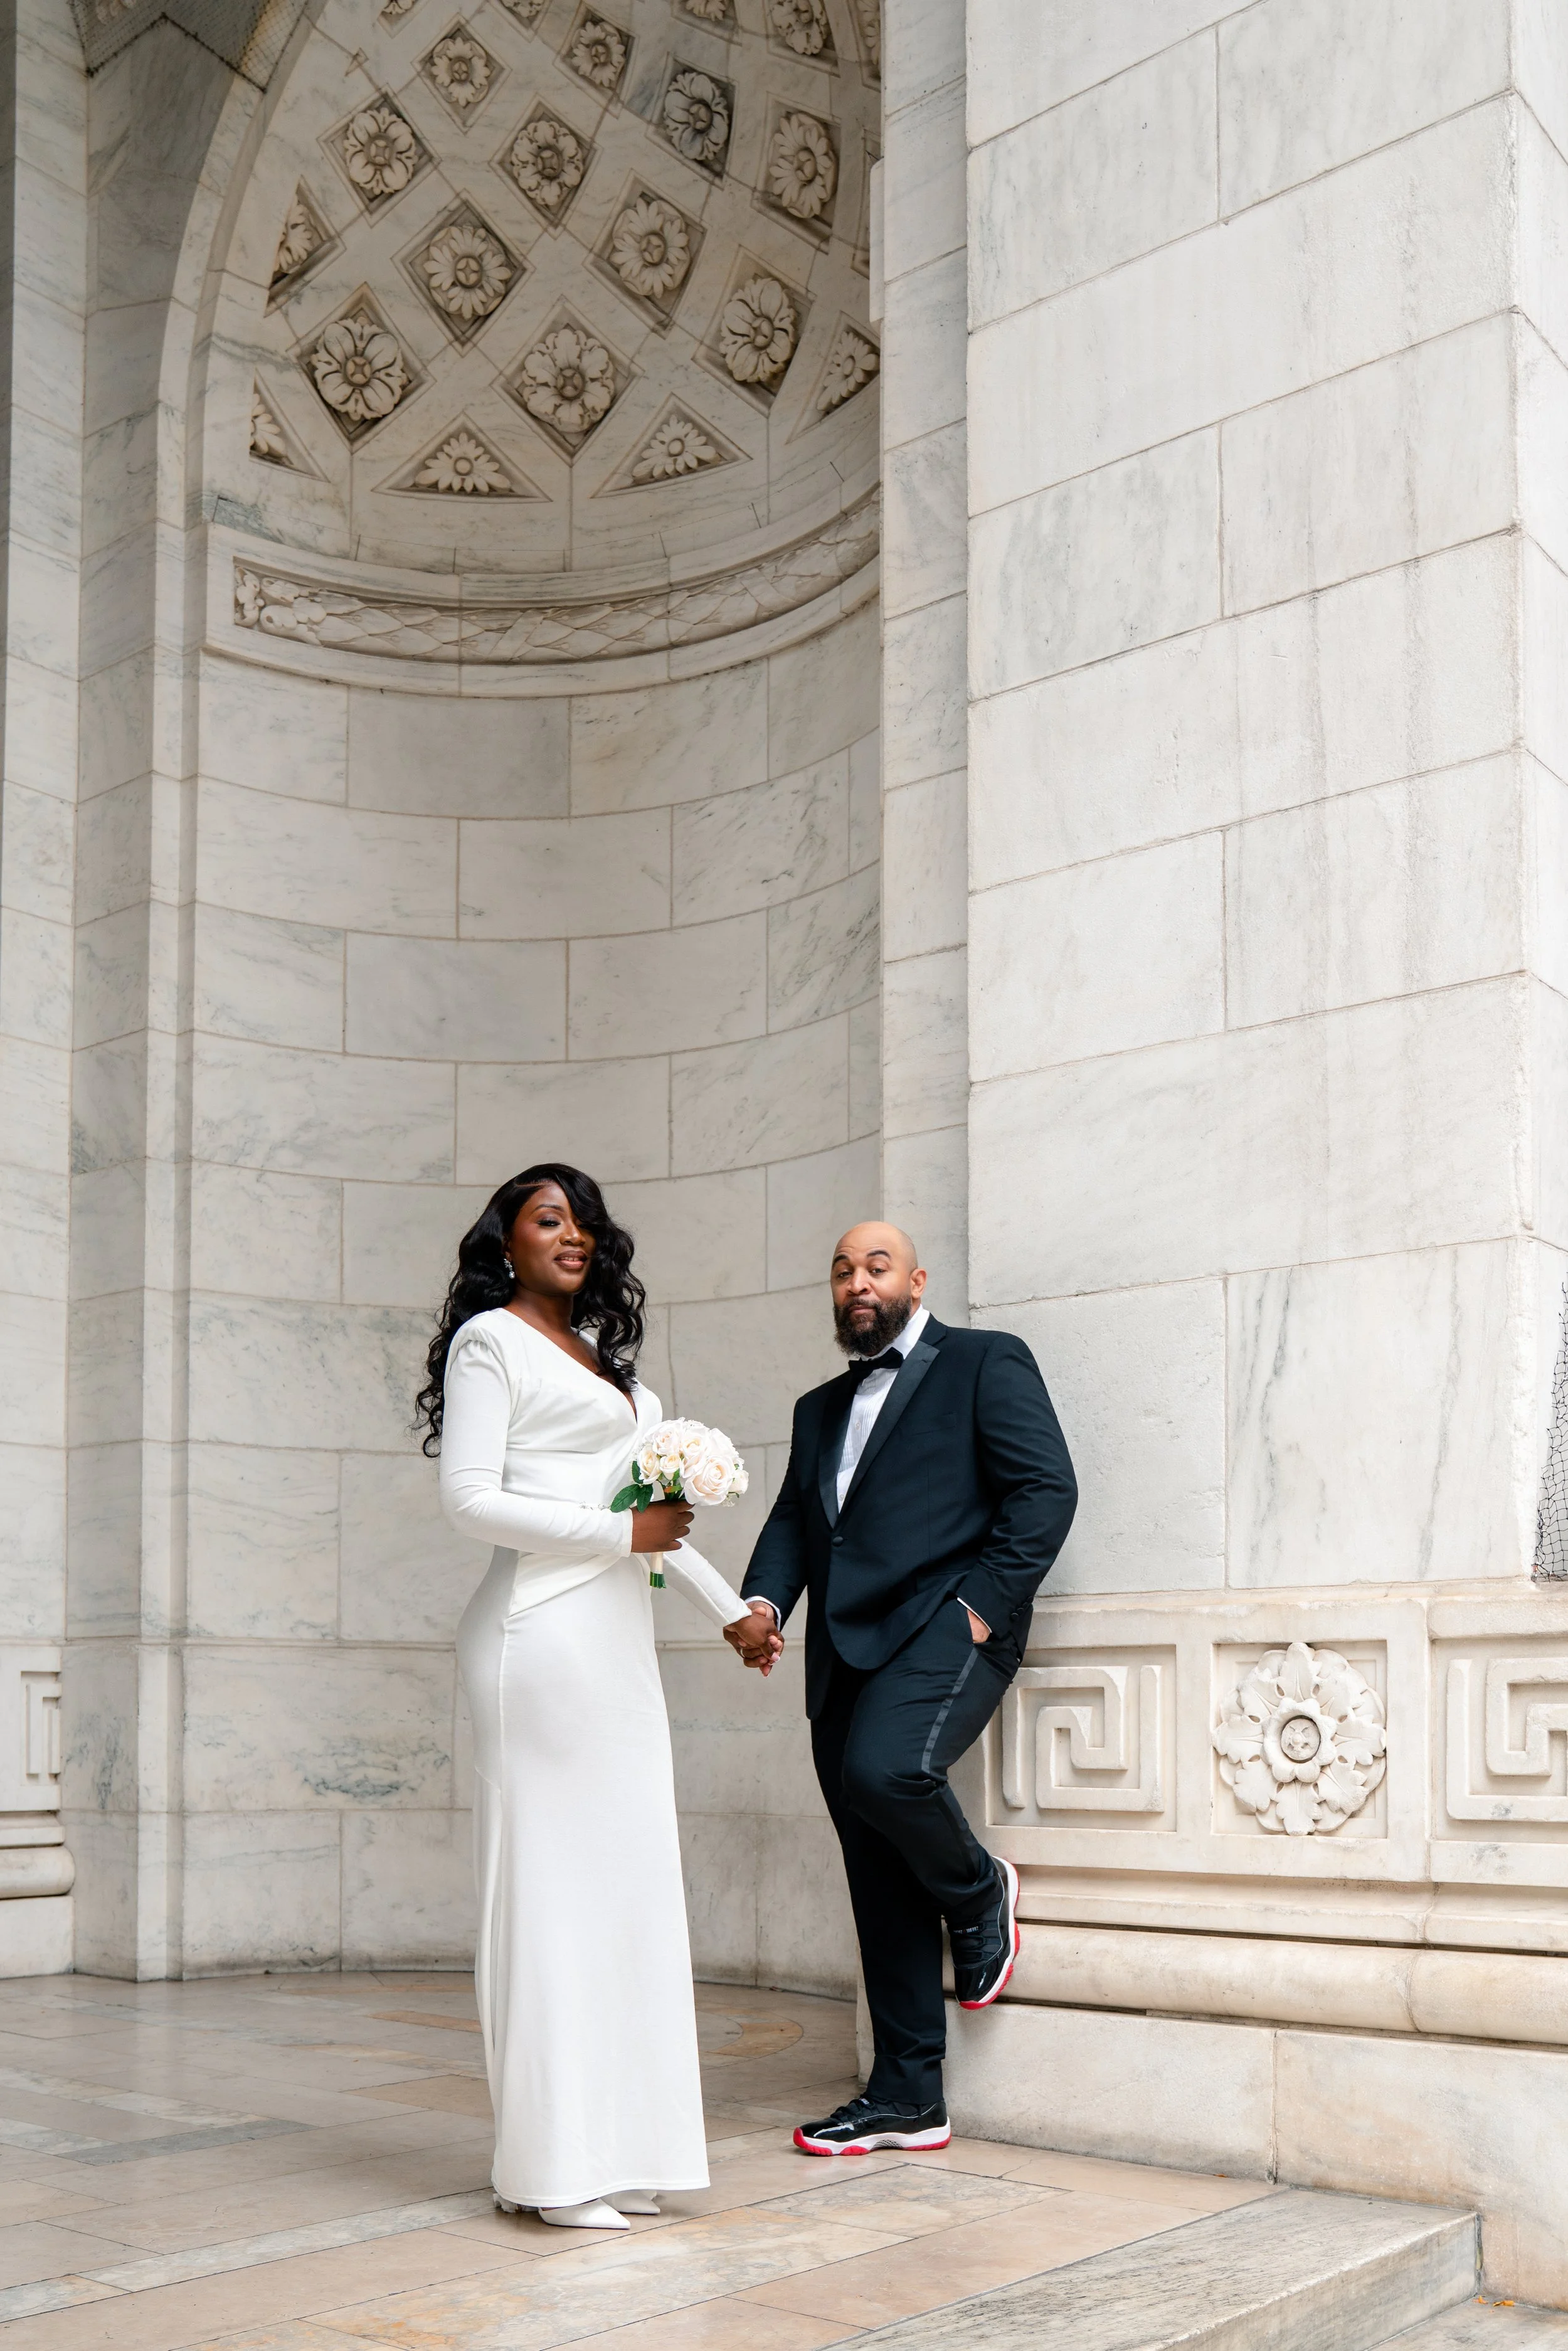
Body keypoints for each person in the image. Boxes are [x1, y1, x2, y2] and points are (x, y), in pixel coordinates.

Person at [415, 1164, 777, 2229]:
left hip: (616, 1644)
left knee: (625, 1896)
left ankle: (618, 2152)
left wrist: (729, 1610)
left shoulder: (621, 1379)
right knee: (551, 1895)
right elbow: (472, 1500)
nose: (570, 1235)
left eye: (582, 1221)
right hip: (537, 1637)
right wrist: (625, 1536)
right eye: (546, 1218)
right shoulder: (492, 1342)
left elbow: (656, 1523)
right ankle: (548, 2168)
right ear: (509, 1243)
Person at [728, 1223, 1076, 2156]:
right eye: (841, 1270)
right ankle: (907, 2096)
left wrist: (980, 1609)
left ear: (915, 1281)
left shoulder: (984, 1363)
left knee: (888, 1774)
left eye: (876, 1266)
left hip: (944, 1628)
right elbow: (798, 1524)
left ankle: (976, 1893)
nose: (857, 1282)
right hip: (842, 1650)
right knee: (873, 1868)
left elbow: (1046, 1490)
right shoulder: (816, 1410)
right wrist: (763, 1601)